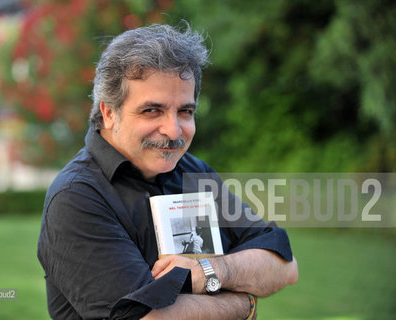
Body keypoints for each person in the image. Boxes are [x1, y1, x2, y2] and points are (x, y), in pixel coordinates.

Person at [37, 23, 298, 320]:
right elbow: (146, 318)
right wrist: (243, 305)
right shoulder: (77, 197)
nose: (173, 130)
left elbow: (285, 266)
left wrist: (209, 273)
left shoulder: (193, 173)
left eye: (185, 111)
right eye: (152, 110)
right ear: (109, 112)